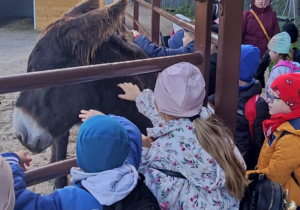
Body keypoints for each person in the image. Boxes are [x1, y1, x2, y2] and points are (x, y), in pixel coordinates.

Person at [117, 62, 247, 209]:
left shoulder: (164, 148)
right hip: (230, 201)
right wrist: (141, 97)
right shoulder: (207, 118)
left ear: (160, 106)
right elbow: (175, 116)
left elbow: (142, 180)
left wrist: (138, 144)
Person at [1, 114, 142, 210]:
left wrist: (11, 161)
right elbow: (132, 131)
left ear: (80, 154)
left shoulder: (67, 199)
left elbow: (19, 202)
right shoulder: (131, 171)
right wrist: (109, 119)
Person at [209, 45, 270, 170]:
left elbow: (261, 144)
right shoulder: (221, 93)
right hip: (221, 157)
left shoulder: (258, 106)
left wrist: (255, 171)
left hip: (243, 164)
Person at [246, 73, 300, 206]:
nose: (267, 100)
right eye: (268, 94)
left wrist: (244, 176)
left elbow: (274, 177)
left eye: (273, 97)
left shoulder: (292, 138)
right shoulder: (280, 123)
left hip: (286, 199)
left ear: (291, 102)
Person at [255, 22, 300, 88]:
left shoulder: (273, 50)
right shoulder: (298, 53)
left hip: (275, 89)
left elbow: (260, 67)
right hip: (293, 90)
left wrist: (261, 83)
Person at [265, 31, 294, 100]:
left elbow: (272, 88)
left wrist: (268, 100)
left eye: (271, 50)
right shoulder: (291, 65)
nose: (269, 53)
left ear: (277, 53)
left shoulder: (278, 69)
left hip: (275, 104)